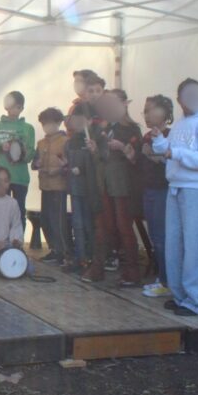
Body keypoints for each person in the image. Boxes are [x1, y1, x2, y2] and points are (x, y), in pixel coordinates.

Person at [151, 78, 198, 316]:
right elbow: (169, 152)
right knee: (175, 244)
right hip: (176, 186)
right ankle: (181, 296)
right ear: (180, 100)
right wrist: (159, 141)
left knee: (196, 246)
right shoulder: (182, 124)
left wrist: (175, 153)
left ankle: (197, 301)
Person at [81, 89, 142, 286]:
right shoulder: (106, 128)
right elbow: (101, 158)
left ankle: (132, 271)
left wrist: (122, 148)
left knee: (124, 227)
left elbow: (137, 158)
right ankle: (98, 268)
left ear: (125, 104)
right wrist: (94, 150)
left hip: (123, 185)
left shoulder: (131, 128)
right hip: (105, 182)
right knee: (103, 226)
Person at [138, 94, 173, 298]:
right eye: (145, 111)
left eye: (150, 110)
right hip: (148, 189)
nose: (146, 115)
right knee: (154, 236)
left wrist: (152, 155)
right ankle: (161, 278)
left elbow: (171, 162)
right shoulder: (146, 136)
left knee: (162, 237)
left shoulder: (171, 135)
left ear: (164, 113)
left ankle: (167, 281)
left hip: (163, 190)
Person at [0, 91, 36, 228]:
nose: (14, 109)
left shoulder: (28, 128)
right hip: (1, 178)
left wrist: (22, 152)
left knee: (19, 211)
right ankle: (2, 240)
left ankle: (18, 240)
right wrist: (1, 147)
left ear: (22, 108)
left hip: (20, 178)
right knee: (2, 212)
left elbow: (30, 154)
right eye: (10, 105)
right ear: (5, 106)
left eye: (17, 106)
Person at [64, 104, 100, 274]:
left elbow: (98, 163)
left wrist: (84, 168)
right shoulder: (70, 142)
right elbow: (68, 161)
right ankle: (81, 258)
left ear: (90, 121)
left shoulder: (93, 140)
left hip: (90, 189)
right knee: (77, 224)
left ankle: (92, 257)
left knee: (88, 224)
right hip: (74, 188)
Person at [32, 107, 69, 264]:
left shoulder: (65, 141)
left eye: (50, 123)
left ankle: (63, 251)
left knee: (57, 221)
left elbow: (69, 165)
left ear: (58, 123)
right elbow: (34, 164)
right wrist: (37, 163)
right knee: (45, 219)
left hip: (59, 187)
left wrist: (60, 169)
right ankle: (53, 249)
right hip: (45, 185)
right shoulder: (41, 143)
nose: (46, 127)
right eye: (44, 124)